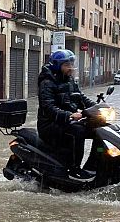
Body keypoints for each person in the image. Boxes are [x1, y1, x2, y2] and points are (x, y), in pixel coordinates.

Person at [37, 49, 96, 180]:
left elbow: (81, 98)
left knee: (95, 128)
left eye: (71, 64)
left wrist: (97, 107)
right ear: (58, 66)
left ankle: (95, 165)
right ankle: (74, 169)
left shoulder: (69, 80)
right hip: (49, 124)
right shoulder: (47, 83)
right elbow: (48, 107)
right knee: (78, 131)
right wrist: (69, 115)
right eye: (66, 65)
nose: (70, 68)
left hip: (65, 121)